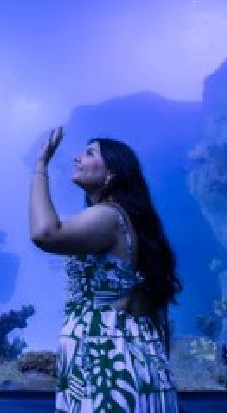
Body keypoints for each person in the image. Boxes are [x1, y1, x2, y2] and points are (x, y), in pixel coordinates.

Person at [30, 126, 181, 412]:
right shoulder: (124, 218)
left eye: (89, 153)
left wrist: (40, 167)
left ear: (112, 173)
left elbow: (45, 233)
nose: (77, 158)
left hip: (108, 364)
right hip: (121, 356)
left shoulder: (108, 216)